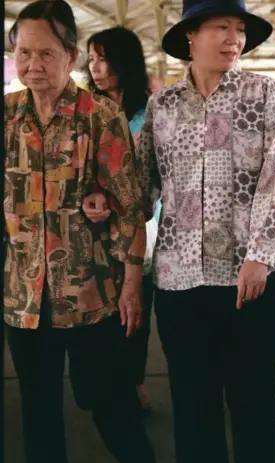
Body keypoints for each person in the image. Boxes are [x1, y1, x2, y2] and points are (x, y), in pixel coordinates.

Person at [4, 1, 166, 463]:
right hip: (24, 299)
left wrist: (132, 286)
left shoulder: (100, 116)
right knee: (39, 415)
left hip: (93, 294)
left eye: (46, 53)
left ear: (70, 55)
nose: (34, 64)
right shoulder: (5, 117)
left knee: (106, 401)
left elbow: (131, 208)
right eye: (23, 52)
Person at [138, 0, 275, 463]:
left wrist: (259, 254)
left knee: (255, 390)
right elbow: (144, 188)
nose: (234, 38)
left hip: (251, 278)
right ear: (189, 36)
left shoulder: (265, 95)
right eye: (221, 27)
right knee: (192, 401)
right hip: (181, 279)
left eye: (240, 29)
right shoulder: (161, 108)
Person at [83, 25, 161, 414]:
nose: (96, 67)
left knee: (136, 303)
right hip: (95, 224)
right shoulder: (83, 110)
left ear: (124, 61)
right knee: (102, 302)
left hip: (144, 224)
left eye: (104, 57)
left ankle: (135, 379)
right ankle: (109, 379)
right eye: (91, 58)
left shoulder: (149, 111)